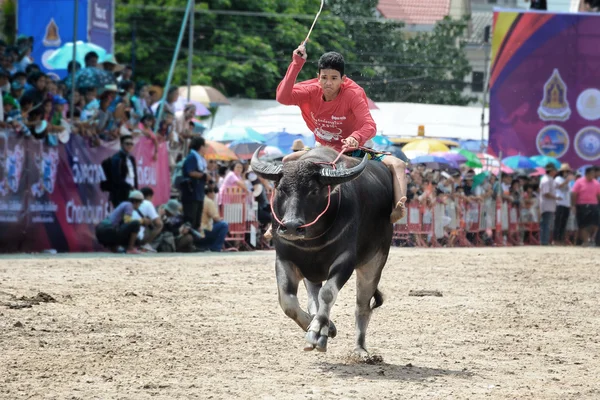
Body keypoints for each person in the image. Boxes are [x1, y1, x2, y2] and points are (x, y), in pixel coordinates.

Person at [275, 45, 407, 223]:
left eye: (334, 78)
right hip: (323, 151)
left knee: (397, 164)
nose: (328, 83)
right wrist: (296, 64)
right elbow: (283, 97)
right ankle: (277, 217)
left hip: (353, 150)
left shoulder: (353, 94)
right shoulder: (310, 90)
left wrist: (356, 137)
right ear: (318, 77)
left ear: (343, 79)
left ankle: (398, 208)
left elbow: (370, 126)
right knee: (287, 161)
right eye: (324, 78)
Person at [180, 136, 208, 230]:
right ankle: (187, 242)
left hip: (198, 194)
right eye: (205, 146)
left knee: (197, 222)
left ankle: (194, 242)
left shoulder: (201, 159)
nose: (206, 148)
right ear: (201, 147)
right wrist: (203, 176)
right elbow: (190, 172)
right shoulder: (192, 157)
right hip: (191, 194)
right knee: (190, 221)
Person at [571, 167, 600, 247]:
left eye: (594, 173)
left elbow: (598, 195)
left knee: (596, 224)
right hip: (582, 205)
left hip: (594, 205)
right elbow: (574, 194)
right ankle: (585, 241)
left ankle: (592, 238)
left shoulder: (596, 183)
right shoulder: (579, 182)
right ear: (587, 174)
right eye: (592, 173)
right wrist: (573, 205)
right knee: (583, 225)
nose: (593, 175)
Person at [195, 185, 229, 252]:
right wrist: (220, 219)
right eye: (214, 193)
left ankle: (206, 246)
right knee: (224, 225)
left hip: (195, 230)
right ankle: (216, 247)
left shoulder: (198, 199)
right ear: (210, 193)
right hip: (203, 231)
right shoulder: (208, 201)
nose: (214, 195)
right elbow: (216, 218)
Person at [108, 135, 138, 208]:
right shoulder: (117, 158)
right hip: (120, 193)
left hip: (131, 192)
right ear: (121, 145)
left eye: (131, 144)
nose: (129, 146)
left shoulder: (131, 158)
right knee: (122, 216)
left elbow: (135, 176)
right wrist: (128, 186)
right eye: (127, 143)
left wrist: (136, 189)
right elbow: (116, 178)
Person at [132, 187, 164, 252]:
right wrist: (160, 214)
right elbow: (158, 223)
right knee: (160, 225)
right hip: (137, 237)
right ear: (149, 196)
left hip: (125, 233)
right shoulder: (147, 203)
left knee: (147, 222)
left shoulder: (130, 202)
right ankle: (144, 245)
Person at [539, 163, 560, 245]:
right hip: (546, 206)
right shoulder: (546, 180)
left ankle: (545, 241)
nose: (555, 172)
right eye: (554, 170)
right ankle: (544, 242)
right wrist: (556, 197)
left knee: (547, 224)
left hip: (550, 206)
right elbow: (546, 193)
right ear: (551, 171)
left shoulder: (551, 179)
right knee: (545, 224)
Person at [553, 163, 574, 244]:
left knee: (564, 223)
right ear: (562, 172)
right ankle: (555, 239)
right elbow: (560, 186)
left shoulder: (567, 182)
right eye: (566, 171)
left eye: (568, 171)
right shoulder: (558, 178)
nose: (567, 173)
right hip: (560, 203)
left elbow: (569, 192)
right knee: (558, 222)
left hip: (566, 204)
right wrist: (567, 180)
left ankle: (561, 239)